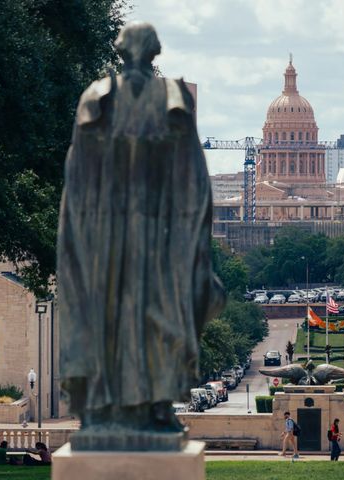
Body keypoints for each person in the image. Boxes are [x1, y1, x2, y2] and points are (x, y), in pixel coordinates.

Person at [56, 22, 225, 451]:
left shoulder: (167, 98)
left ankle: (154, 404)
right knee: (112, 315)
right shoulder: (100, 98)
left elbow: (191, 178)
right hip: (112, 229)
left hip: (151, 230)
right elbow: (79, 175)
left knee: (152, 313)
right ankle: (107, 408)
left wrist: (189, 236)